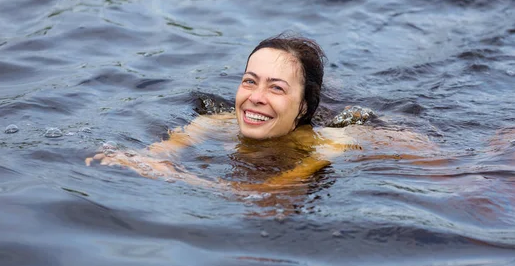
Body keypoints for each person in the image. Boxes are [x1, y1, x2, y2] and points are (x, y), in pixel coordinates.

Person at [86, 34, 436, 198]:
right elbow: (160, 153)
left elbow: (261, 192)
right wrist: (132, 159)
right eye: (249, 81)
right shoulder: (213, 122)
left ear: (303, 108)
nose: (255, 98)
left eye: (276, 88)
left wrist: (174, 177)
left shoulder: (328, 145)